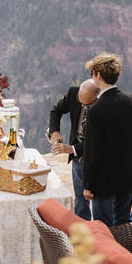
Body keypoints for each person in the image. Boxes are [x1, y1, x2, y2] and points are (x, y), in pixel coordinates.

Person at [81, 53, 132, 227]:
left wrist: (88, 184)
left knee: (103, 228)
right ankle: (127, 252)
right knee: (125, 223)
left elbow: (93, 151)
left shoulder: (95, 110)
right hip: (127, 174)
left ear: (98, 75)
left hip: (104, 180)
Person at [48, 79, 99, 219]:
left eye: (87, 104)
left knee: (98, 203)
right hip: (78, 159)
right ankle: (83, 235)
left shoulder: (104, 106)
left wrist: (72, 149)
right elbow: (56, 110)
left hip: (95, 158)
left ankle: (100, 235)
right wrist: (54, 132)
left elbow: (97, 140)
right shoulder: (73, 92)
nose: (82, 105)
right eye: (80, 101)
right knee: (80, 200)